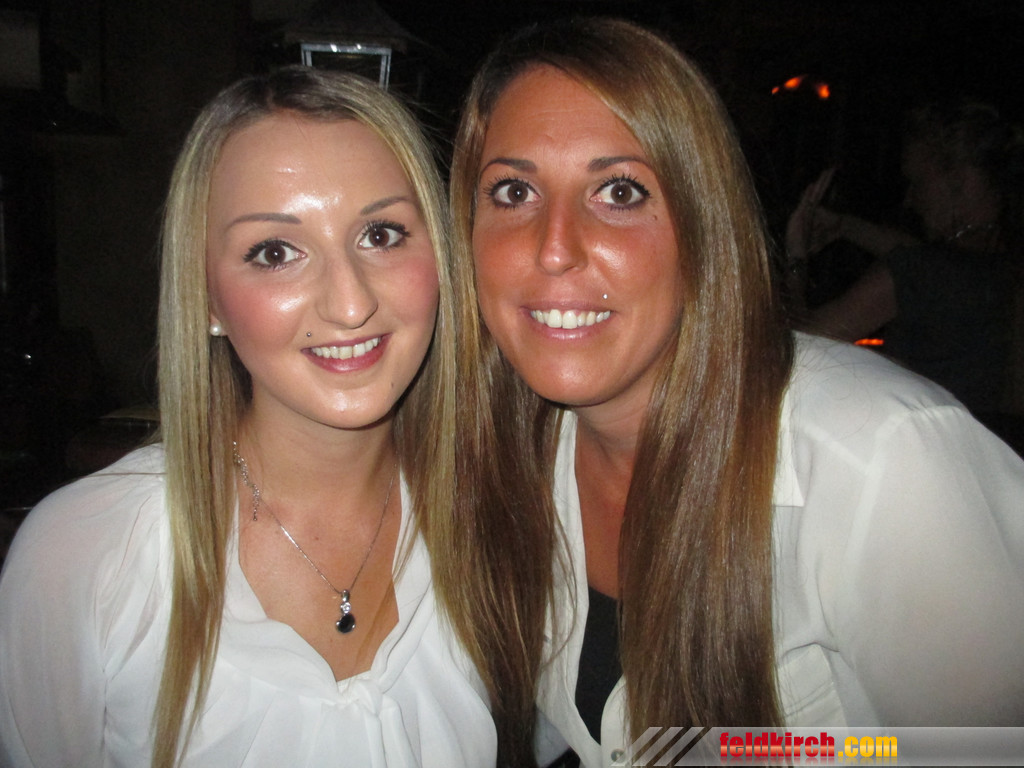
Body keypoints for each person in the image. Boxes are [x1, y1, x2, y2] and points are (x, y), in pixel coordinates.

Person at [440, 17, 1024, 768]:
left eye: (619, 191)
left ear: (703, 224)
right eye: (514, 190)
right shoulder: (514, 454)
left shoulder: (881, 462)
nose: (554, 249)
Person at [0, 66, 494, 767]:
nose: (350, 303)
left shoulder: (500, 527)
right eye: (275, 253)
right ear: (205, 297)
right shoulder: (88, 554)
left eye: (382, 234)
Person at [785, 101, 1023, 417]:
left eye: (917, 181)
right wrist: (845, 227)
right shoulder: (1003, 265)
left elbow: (799, 344)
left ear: (959, 180)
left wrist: (795, 257)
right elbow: (915, 254)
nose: (909, 199)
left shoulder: (924, 273)